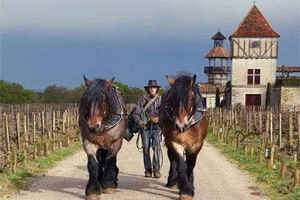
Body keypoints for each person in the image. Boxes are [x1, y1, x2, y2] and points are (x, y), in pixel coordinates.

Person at [132, 80, 162, 178]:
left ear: (157, 89)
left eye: (154, 87)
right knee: (146, 149)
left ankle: (156, 170)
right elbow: (136, 114)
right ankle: (148, 170)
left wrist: (159, 118)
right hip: (145, 128)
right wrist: (139, 122)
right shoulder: (142, 100)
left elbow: (165, 113)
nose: (152, 89)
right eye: (151, 87)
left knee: (156, 148)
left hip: (157, 128)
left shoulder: (160, 100)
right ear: (148, 89)